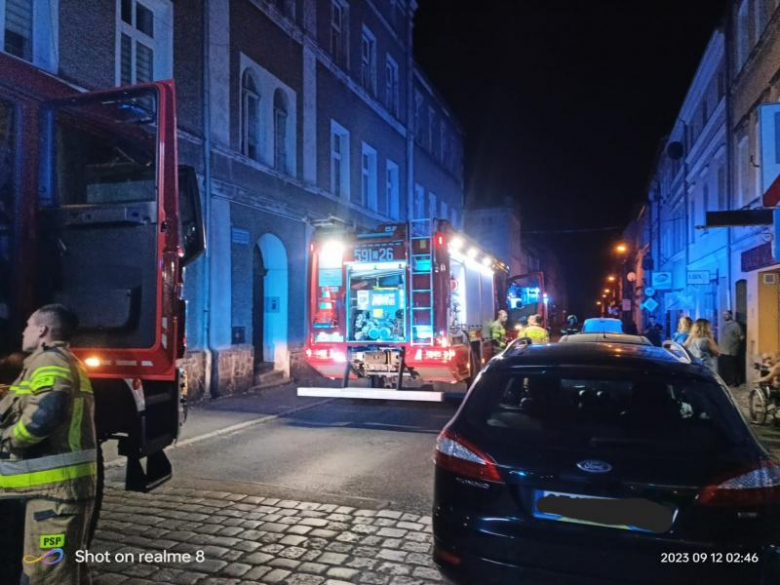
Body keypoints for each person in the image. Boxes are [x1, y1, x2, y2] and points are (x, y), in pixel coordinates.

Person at [0, 305, 96, 584]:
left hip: (56, 497)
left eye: (28, 325)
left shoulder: (50, 362)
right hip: (54, 493)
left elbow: (48, 412)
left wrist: (9, 442)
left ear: (42, 330)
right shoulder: (48, 362)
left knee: (48, 577)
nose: (23, 331)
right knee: (64, 571)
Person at [718, 310, 745, 387]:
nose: (725, 316)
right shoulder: (724, 325)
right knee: (724, 368)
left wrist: (736, 343)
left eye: (726, 314)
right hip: (723, 350)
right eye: (724, 314)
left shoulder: (735, 325)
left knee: (732, 367)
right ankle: (726, 381)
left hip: (731, 350)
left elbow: (741, 337)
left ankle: (733, 382)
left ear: (730, 315)